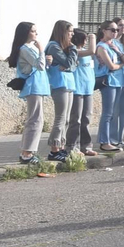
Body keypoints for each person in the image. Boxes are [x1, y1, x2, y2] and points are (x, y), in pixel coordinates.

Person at [6, 22, 50, 164]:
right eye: (33, 31)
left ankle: (28, 151)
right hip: (33, 86)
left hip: (38, 86)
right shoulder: (25, 49)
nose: (36, 34)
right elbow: (40, 65)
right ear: (26, 33)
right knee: (35, 120)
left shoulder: (29, 48)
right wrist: (42, 51)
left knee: (37, 119)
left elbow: (41, 64)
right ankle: (27, 153)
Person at [42, 20, 80, 162]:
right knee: (60, 117)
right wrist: (73, 50)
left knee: (67, 118)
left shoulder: (66, 48)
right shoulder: (53, 46)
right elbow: (70, 63)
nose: (72, 35)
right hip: (59, 84)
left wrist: (70, 64)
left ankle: (62, 147)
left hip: (69, 84)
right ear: (62, 32)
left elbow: (74, 65)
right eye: (69, 32)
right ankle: (54, 149)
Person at [95, 21, 124, 151]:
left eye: (116, 30)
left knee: (116, 112)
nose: (115, 32)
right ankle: (105, 141)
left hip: (119, 81)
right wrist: (120, 64)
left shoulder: (116, 45)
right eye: (112, 30)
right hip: (109, 81)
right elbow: (112, 66)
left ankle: (111, 140)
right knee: (108, 113)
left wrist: (119, 54)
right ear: (104, 30)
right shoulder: (101, 46)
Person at [69, 29, 97, 156]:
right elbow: (92, 50)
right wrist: (93, 38)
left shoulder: (85, 53)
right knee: (76, 119)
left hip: (88, 89)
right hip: (77, 89)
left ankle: (86, 145)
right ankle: (72, 146)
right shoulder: (75, 51)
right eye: (85, 38)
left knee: (86, 118)